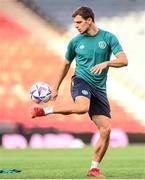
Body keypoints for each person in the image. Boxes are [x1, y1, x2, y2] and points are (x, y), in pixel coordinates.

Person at [30, 6, 128, 178]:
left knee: (106, 130)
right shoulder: (75, 42)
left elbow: (123, 60)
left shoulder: (108, 37)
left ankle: (94, 169)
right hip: (81, 80)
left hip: (100, 88)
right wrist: (56, 87)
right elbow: (66, 64)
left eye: (79, 22)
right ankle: (44, 111)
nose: (76, 26)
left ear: (89, 20)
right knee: (82, 107)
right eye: (75, 22)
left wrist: (107, 63)